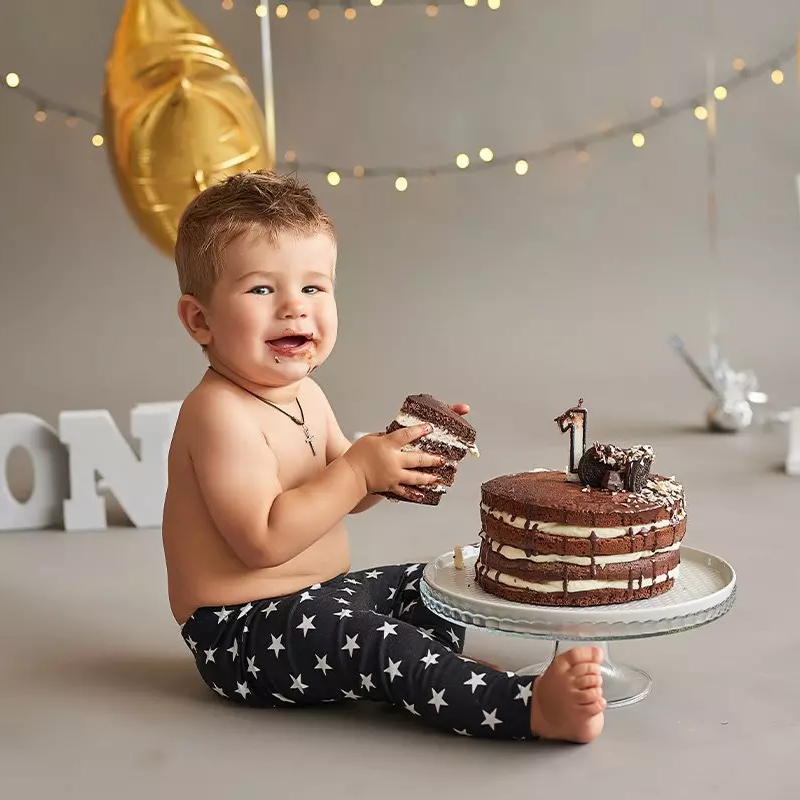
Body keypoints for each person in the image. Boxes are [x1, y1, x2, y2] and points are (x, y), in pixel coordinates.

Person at [161, 170, 605, 743]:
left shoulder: (305, 394)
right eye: (262, 289)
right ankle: (526, 709)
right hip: (242, 631)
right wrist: (357, 469)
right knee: (381, 644)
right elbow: (263, 540)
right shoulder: (217, 413)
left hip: (320, 602)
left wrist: (395, 458)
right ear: (200, 320)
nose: (294, 309)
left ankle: (439, 678)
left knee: (436, 586)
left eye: (314, 288)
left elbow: (353, 493)